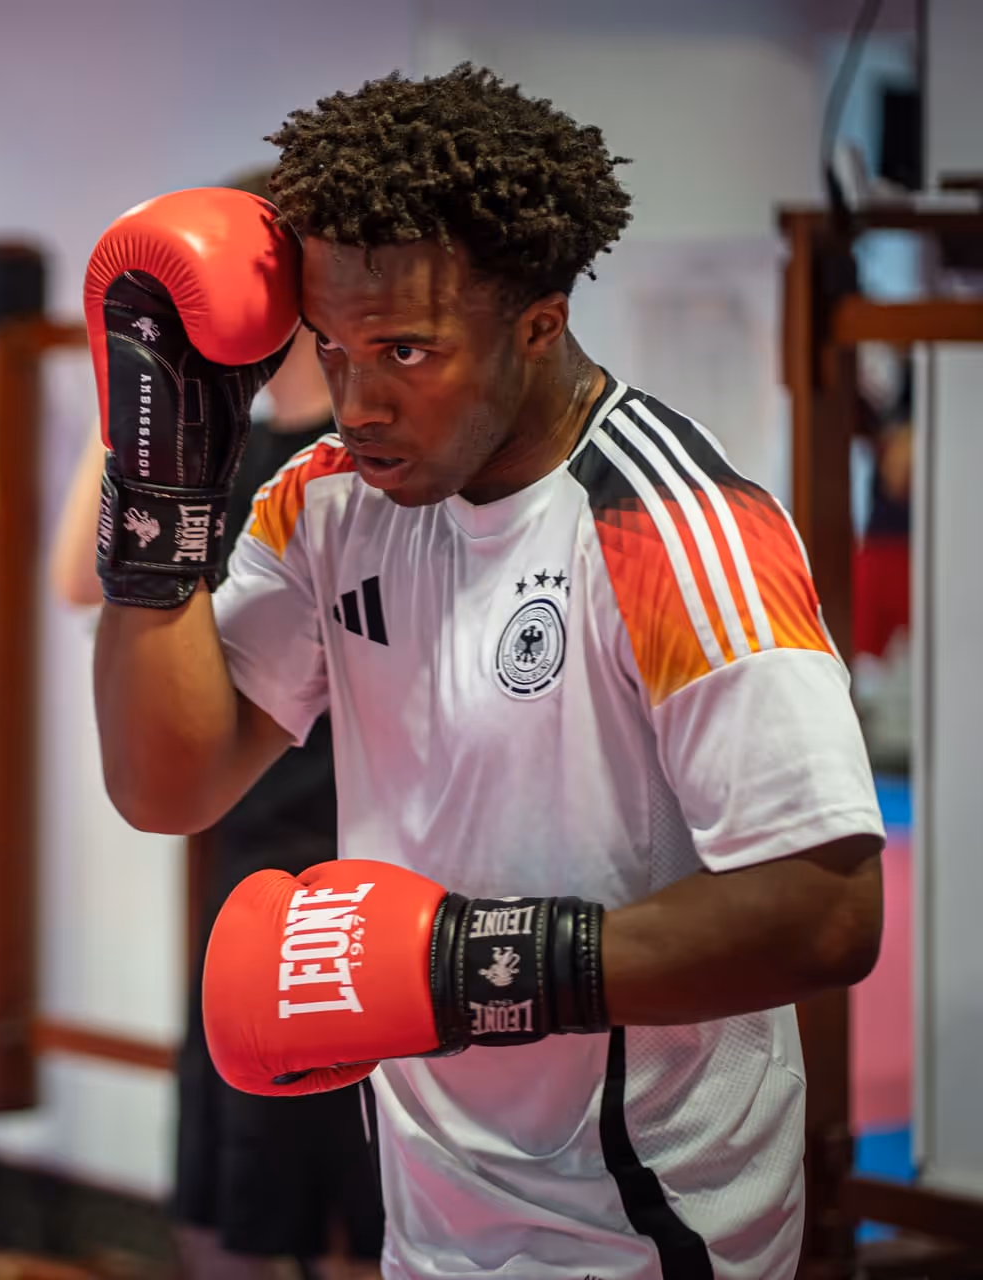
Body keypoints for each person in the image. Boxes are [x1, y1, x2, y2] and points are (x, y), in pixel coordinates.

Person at [82, 66, 885, 1280]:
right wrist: (158, 502)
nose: (357, 402)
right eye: (331, 347)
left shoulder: (670, 529)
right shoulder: (326, 503)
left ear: (539, 327)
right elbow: (168, 783)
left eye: (405, 350)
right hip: (434, 1215)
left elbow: (826, 909)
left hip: (648, 1226)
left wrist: (464, 967)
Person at [52, 170, 383, 1280]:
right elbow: (77, 575)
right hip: (247, 840)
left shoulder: (363, 458)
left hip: (364, 845)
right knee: (231, 1192)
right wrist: (139, 404)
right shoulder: (222, 446)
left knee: (364, 1202)